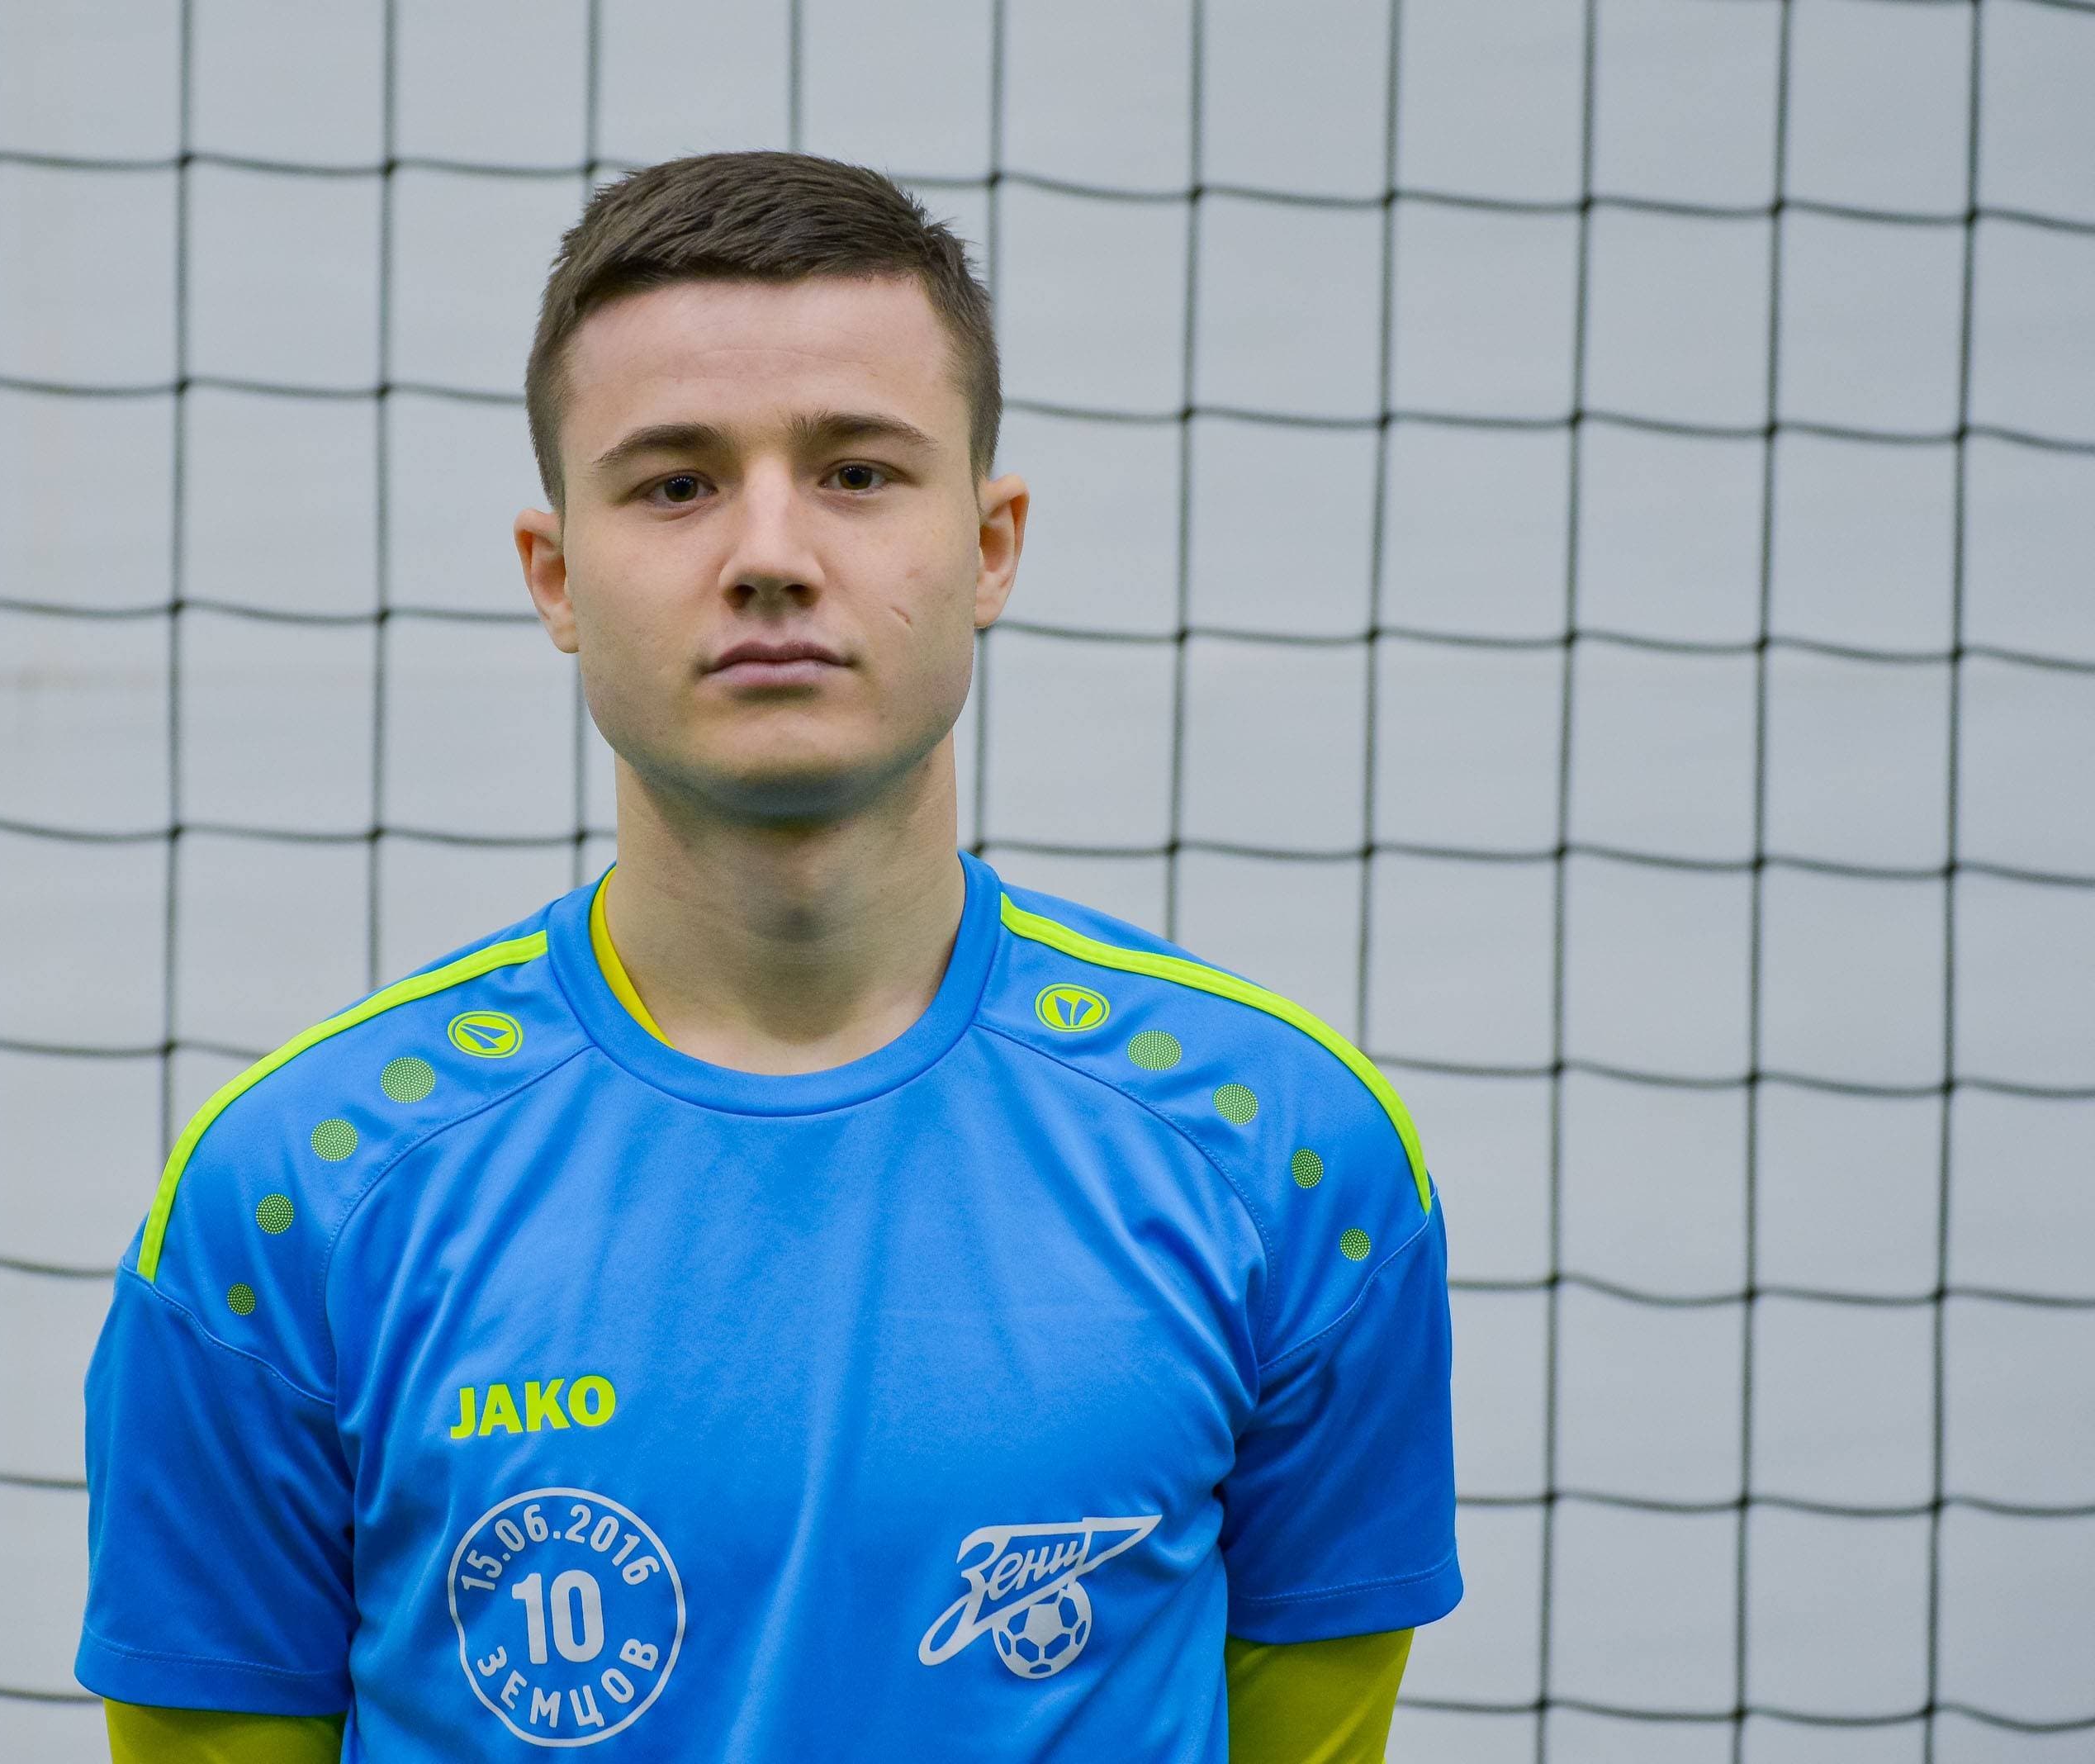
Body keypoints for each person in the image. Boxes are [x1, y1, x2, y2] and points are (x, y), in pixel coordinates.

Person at [76, 150, 1458, 1762]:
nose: (771, 553)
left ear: (991, 544)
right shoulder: (292, 1196)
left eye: (858, 472)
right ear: (555, 577)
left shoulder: (1289, 1151)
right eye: (675, 485)